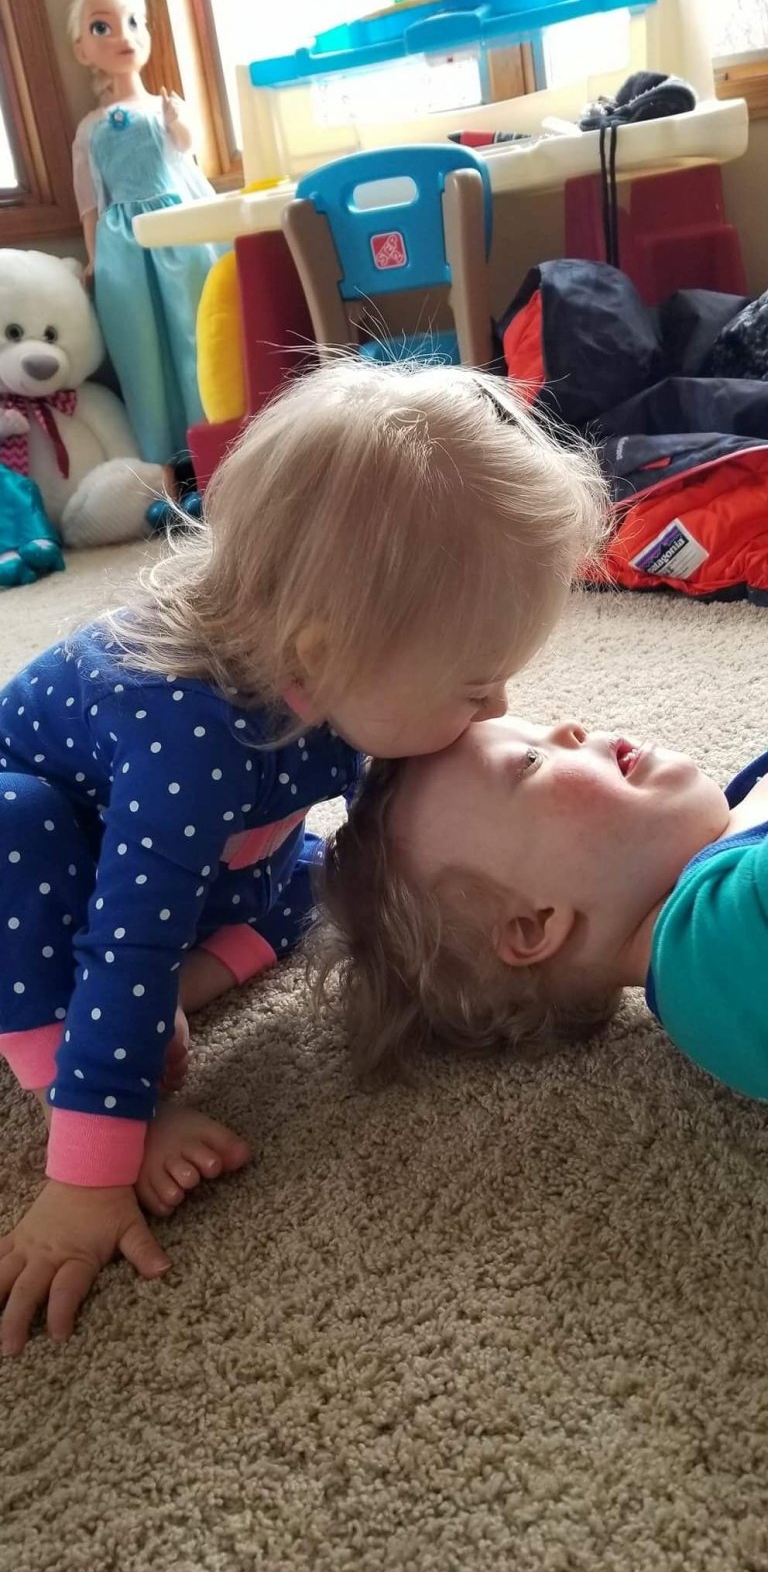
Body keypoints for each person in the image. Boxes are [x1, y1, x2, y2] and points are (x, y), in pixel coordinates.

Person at [0, 356, 609, 1353]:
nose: (498, 707)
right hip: (45, 871)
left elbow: (397, 842)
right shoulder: (186, 743)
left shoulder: (335, 670)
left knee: (319, 874)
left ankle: (181, 993)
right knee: (21, 844)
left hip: (202, 847)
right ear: (325, 655)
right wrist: (89, 1175)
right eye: (477, 685)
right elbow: (127, 940)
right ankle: (65, 1058)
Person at [314, 711, 768, 1090]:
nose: (569, 727)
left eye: (537, 729)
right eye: (530, 761)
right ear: (534, 925)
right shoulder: (724, 942)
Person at [68, 0, 221, 463]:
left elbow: (187, 154)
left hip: (175, 231)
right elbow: (89, 201)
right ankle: (166, 464)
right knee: (140, 352)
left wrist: (179, 123)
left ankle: (212, 446)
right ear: (81, 49)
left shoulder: (162, 107)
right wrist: (94, 258)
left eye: (135, 22)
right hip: (123, 249)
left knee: (195, 337)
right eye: (102, 27)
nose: (123, 35)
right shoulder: (89, 128)